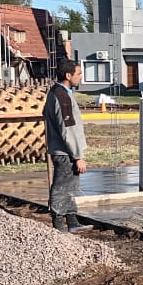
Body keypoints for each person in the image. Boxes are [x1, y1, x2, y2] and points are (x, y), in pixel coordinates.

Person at [42, 60, 91, 233]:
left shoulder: (59, 93)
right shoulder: (62, 97)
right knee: (62, 186)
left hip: (65, 149)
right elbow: (67, 129)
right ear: (68, 75)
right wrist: (77, 156)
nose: (81, 77)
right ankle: (58, 224)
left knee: (70, 186)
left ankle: (72, 221)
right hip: (65, 151)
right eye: (79, 74)